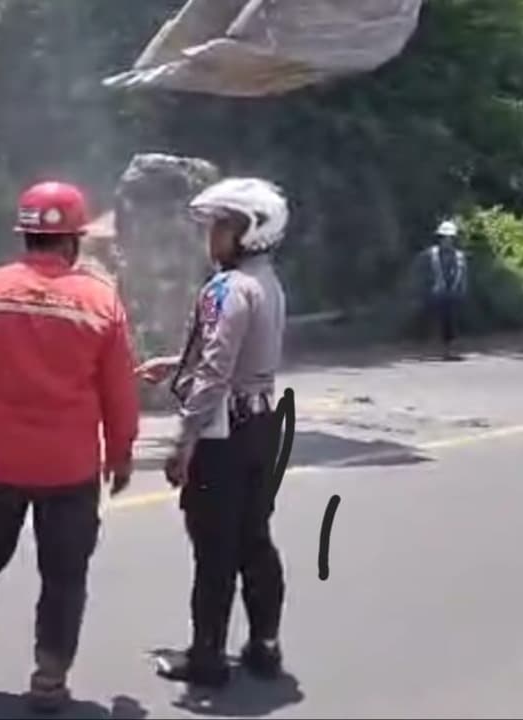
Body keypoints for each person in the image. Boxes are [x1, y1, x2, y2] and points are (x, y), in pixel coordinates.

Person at [0, 181, 140, 712]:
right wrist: (120, 452)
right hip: (69, 471)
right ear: (73, 241)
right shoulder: (100, 301)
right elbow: (119, 391)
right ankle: (49, 682)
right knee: (64, 577)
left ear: (26, 235)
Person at [138, 177, 289, 687]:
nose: (212, 237)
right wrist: (175, 362)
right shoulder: (268, 282)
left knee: (214, 547)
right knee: (255, 538)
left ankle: (205, 659)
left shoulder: (226, 288)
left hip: (223, 434)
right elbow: (240, 356)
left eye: (222, 226)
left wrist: (184, 441)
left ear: (250, 231)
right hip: (263, 426)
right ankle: (265, 646)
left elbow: (216, 372)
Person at [420, 220, 468, 359]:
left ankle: (449, 350)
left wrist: (462, 290)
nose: (447, 241)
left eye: (450, 238)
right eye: (444, 238)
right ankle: (435, 349)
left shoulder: (459, 256)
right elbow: (423, 273)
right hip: (435, 293)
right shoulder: (430, 254)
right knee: (435, 322)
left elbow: (463, 274)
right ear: (440, 238)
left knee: (451, 322)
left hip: (452, 293)